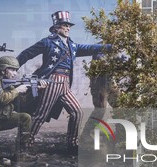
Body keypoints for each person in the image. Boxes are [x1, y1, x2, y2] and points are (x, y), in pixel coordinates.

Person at [16, 10, 112, 149]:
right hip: (52, 81)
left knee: (77, 112)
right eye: (64, 25)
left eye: (68, 26)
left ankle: (72, 143)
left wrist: (111, 46)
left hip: (65, 83)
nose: (67, 28)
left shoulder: (72, 45)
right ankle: (25, 143)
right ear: (56, 28)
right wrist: (12, 67)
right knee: (41, 114)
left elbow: (91, 48)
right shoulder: (47, 42)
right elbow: (27, 53)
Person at [0, 56, 35, 157]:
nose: (15, 73)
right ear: (3, 70)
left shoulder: (9, 84)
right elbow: (2, 98)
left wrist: (32, 90)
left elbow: (22, 103)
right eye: (12, 69)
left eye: (16, 70)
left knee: (25, 118)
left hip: (4, 118)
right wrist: (17, 90)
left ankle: (21, 152)